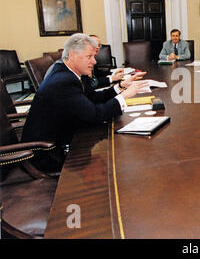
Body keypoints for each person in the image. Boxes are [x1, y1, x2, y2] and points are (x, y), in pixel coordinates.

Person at [21, 33, 148, 172]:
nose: (94, 61)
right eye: (89, 56)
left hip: (62, 138)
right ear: (72, 55)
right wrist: (125, 96)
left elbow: (92, 97)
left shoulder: (68, 73)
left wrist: (121, 87)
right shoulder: (63, 81)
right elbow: (95, 115)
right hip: (47, 153)